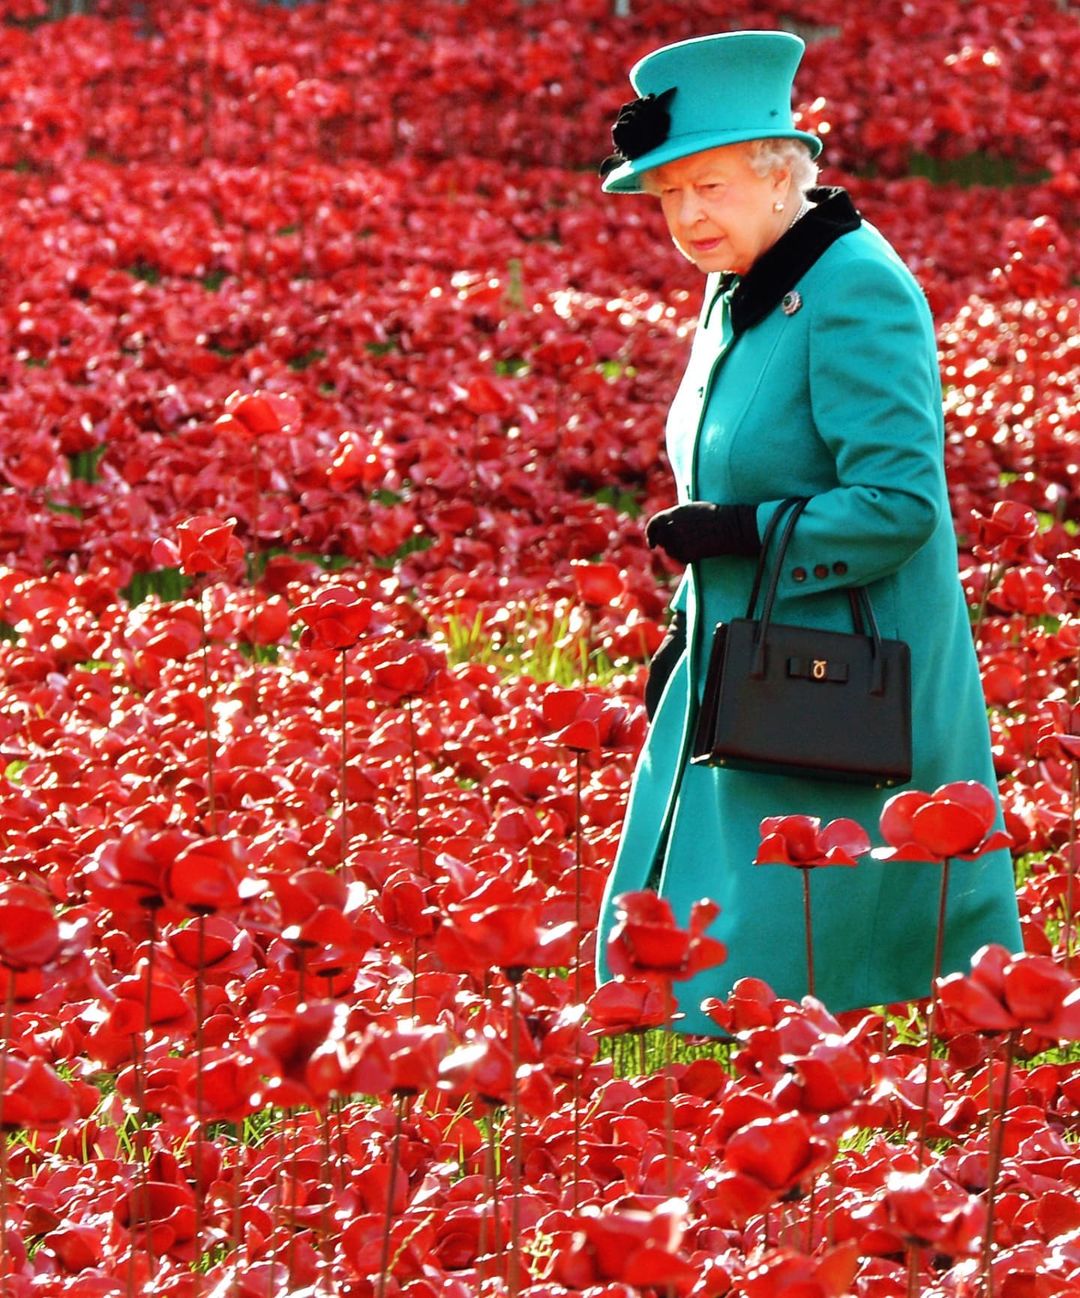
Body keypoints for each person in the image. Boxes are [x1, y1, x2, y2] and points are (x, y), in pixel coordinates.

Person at [593, 30, 1023, 1034]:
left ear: (781, 173)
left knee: (791, 938)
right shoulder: (738, 281)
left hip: (837, 675)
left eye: (710, 186)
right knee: (730, 929)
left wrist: (744, 532)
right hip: (749, 653)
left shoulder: (854, 287)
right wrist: (687, 624)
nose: (688, 217)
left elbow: (902, 503)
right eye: (668, 195)